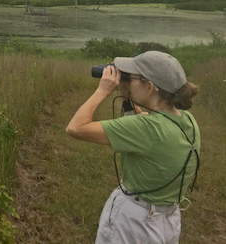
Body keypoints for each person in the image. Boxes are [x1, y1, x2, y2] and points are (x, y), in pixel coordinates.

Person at [66, 51, 200, 244]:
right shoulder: (187, 121)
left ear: (149, 86)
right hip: (167, 219)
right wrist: (126, 93)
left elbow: (75, 128)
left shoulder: (147, 129)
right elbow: (144, 124)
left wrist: (102, 91)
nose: (127, 80)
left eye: (132, 77)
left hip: (135, 221)